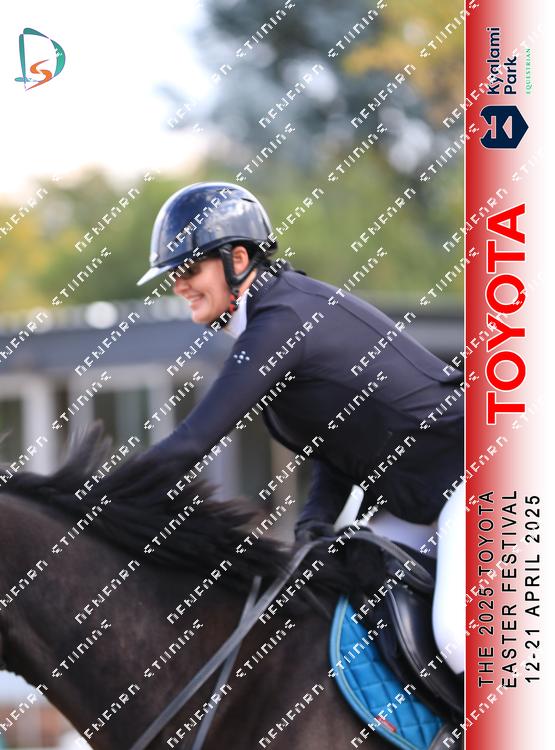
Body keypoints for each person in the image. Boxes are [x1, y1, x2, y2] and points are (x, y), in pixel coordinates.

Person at [137, 182, 465, 672]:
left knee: (459, 638)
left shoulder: (282, 319)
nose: (178, 285)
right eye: (173, 275)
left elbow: (194, 441)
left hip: (482, 471)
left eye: (188, 269)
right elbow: (338, 446)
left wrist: (91, 497)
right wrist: (314, 525)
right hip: (422, 501)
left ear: (238, 258)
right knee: (350, 610)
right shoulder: (274, 315)